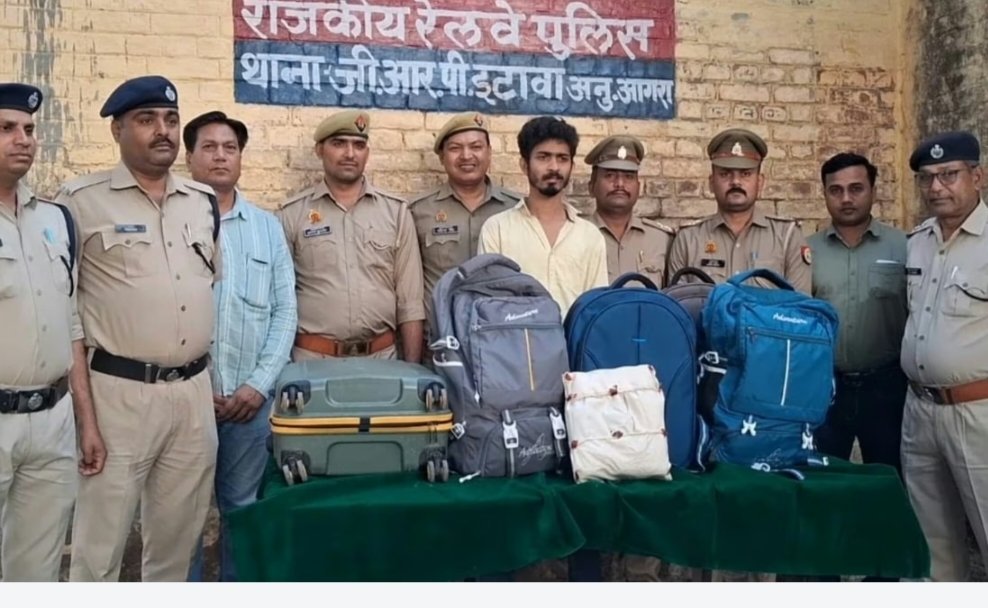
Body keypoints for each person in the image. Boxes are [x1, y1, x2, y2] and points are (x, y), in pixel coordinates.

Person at [56, 75, 223, 582]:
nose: (163, 131)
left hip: (191, 396)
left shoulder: (202, 201)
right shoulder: (80, 202)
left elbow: (207, 289)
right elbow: (66, 317)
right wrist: (85, 417)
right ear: (118, 130)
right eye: (146, 120)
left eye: (170, 119)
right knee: (100, 549)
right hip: (118, 397)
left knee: (176, 547)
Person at [182, 110, 297, 582]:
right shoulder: (172, 221)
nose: (220, 156)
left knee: (243, 510)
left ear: (241, 158)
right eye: (209, 147)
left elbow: (285, 312)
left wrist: (257, 385)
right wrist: (195, 388)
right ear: (189, 157)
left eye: (230, 148)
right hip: (186, 403)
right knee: (180, 517)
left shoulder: (267, 227)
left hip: (250, 405)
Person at [802, 152, 908, 583]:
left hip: (887, 386)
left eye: (856, 188)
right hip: (826, 391)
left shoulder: (904, 247)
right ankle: (823, 581)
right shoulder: (807, 251)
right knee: (822, 489)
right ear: (825, 194)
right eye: (836, 190)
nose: (846, 198)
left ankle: (883, 580)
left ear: (873, 191)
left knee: (888, 485)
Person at [900, 130, 988, 581]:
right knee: (931, 547)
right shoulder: (917, 241)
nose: (936, 187)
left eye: (949, 174)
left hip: (977, 413)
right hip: (919, 411)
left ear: (978, 177)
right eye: (927, 178)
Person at [0, 83, 78, 582]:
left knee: (37, 571)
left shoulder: (56, 218)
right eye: (6, 128)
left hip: (53, 418)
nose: (23, 139)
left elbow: (72, 320)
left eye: (29, 129)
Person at [276, 109, 425, 362]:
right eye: (339, 144)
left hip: (382, 360)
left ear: (367, 152)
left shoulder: (396, 212)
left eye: (359, 145)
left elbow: (410, 302)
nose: (350, 154)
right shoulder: (292, 214)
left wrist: (412, 369)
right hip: (313, 360)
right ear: (319, 150)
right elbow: (280, 301)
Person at [477, 115, 607, 316]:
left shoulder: (589, 236)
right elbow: (489, 307)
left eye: (562, 158)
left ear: (572, 166)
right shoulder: (497, 230)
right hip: (515, 336)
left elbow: (596, 310)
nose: (554, 167)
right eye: (543, 157)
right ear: (524, 165)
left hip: (573, 337)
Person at [409, 112, 520, 344]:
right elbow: (409, 288)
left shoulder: (516, 208)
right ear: (442, 157)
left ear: (489, 153)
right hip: (441, 340)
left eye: (476, 147)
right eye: (455, 148)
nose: (466, 156)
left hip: (502, 339)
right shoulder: (419, 211)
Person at [668, 127, 812, 294]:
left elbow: (800, 305)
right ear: (711, 183)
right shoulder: (688, 239)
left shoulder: (787, 237)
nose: (736, 181)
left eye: (745, 174)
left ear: (760, 182)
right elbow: (678, 306)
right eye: (725, 174)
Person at [583, 134, 675, 287]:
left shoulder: (661, 240)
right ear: (591, 186)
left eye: (628, 176)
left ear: (639, 187)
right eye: (610, 175)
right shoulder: (577, 236)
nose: (619, 183)